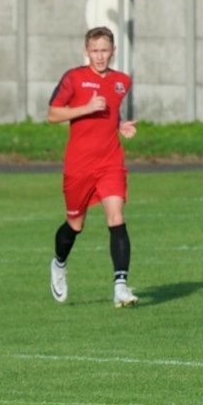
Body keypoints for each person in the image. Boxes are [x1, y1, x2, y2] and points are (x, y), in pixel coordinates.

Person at [47, 26, 139, 307]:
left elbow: (111, 107)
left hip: (110, 161)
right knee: (75, 224)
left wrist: (119, 124)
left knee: (116, 217)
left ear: (114, 51)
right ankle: (59, 264)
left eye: (105, 50)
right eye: (95, 51)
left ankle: (120, 286)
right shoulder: (74, 78)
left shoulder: (122, 81)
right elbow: (52, 114)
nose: (100, 56)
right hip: (79, 166)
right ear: (86, 52)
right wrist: (86, 108)